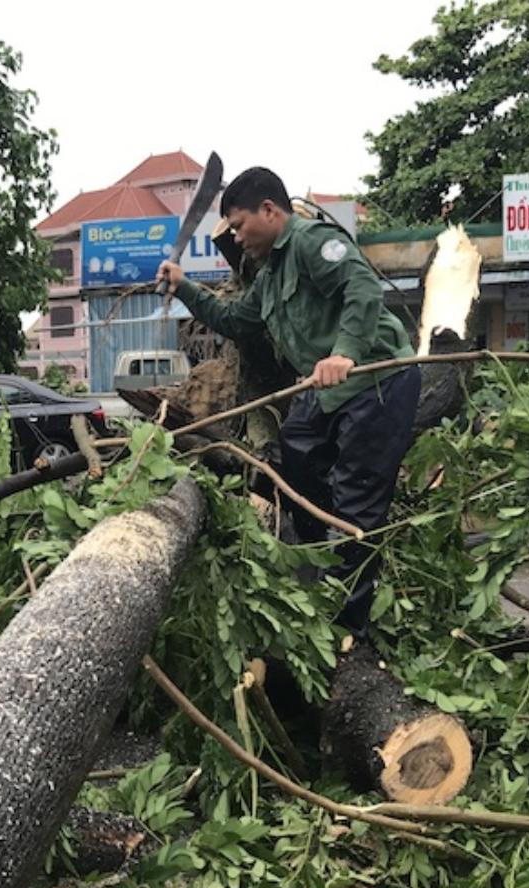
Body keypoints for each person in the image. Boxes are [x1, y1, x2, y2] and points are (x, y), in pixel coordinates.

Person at [156, 166, 421, 637]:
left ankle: (345, 629)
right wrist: (185, 287)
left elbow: (360, 288)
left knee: (360, 502)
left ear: (269, 210)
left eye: (239, 226)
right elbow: (237, 319)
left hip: (376, 380)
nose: (236, 239)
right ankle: (316, 565)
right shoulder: (270, 272)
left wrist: (345, 352)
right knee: (294, 452)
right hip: (329, 393)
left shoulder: (310, 242)